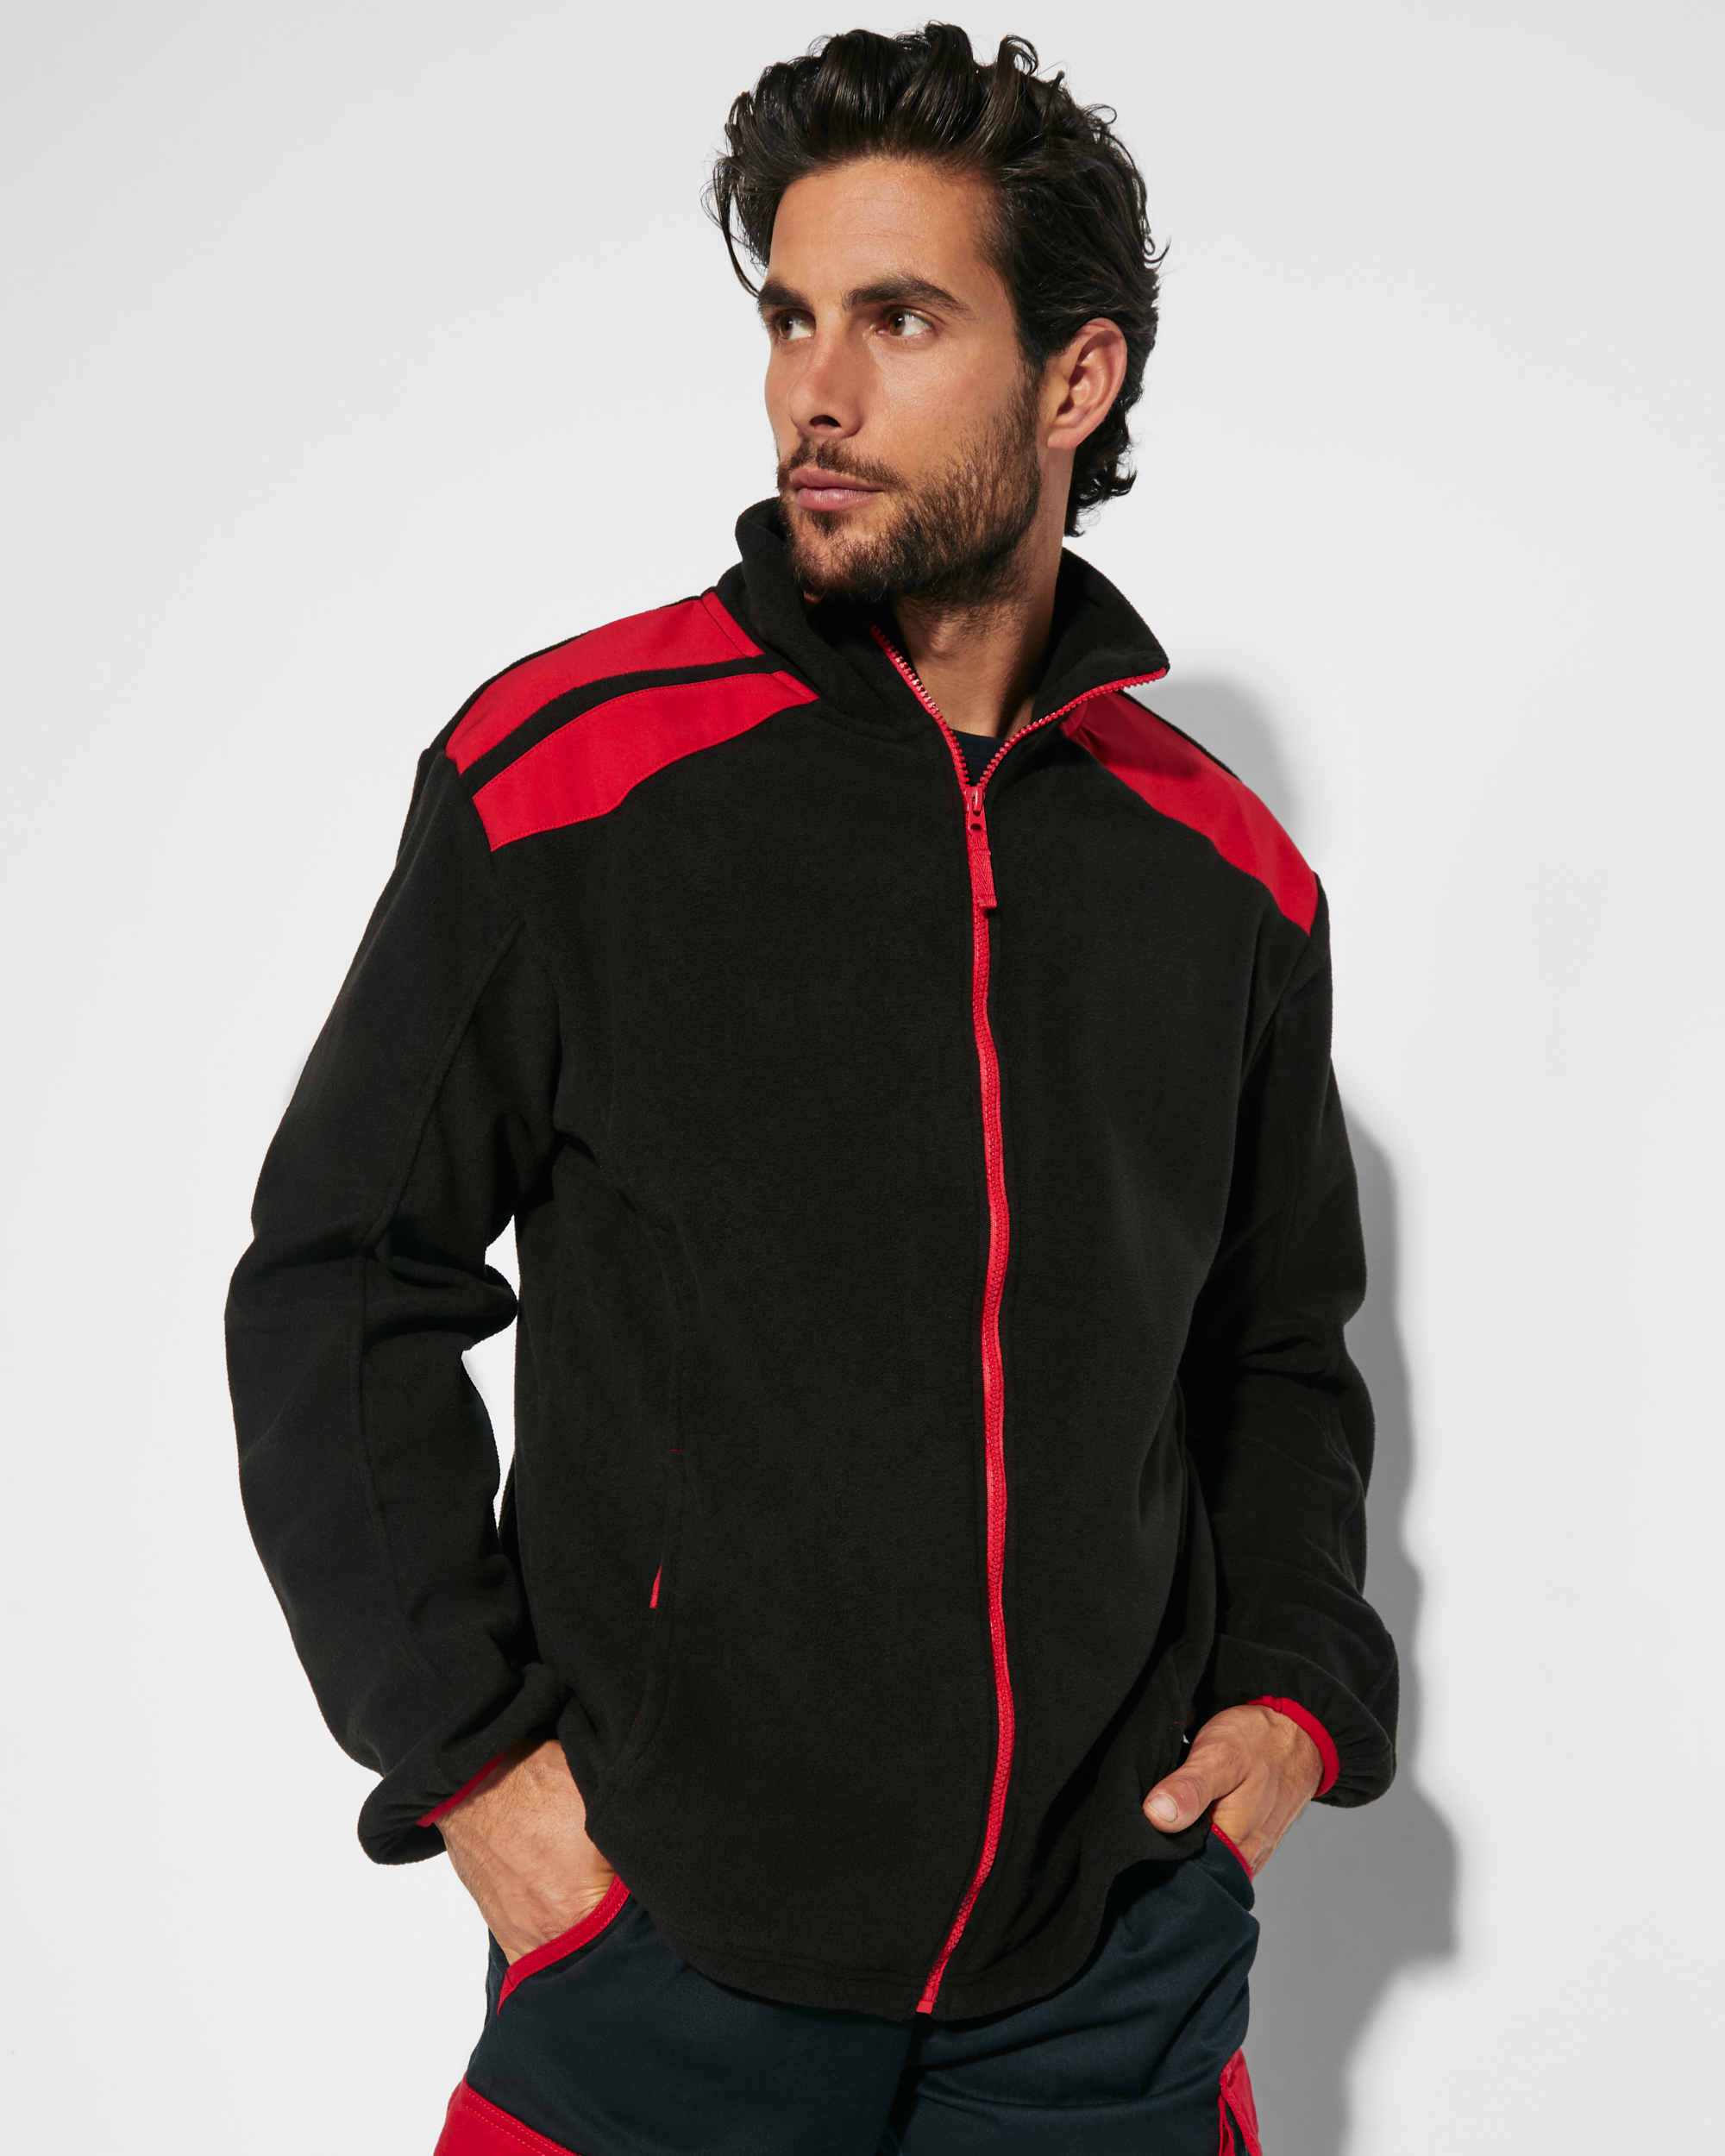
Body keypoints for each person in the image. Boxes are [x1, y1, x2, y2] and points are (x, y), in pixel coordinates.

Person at [227, 24, 1397, 2155]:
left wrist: (1292, 1699)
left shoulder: (1220, 869)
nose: (813, 393)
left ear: (1075, 379)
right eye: (788, 316)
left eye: (900, 318)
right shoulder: (570, 777)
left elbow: (1276, 1348)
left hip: (1102, 1986)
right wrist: (476, 1771)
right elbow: (340, 1275)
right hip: (667, 1970)